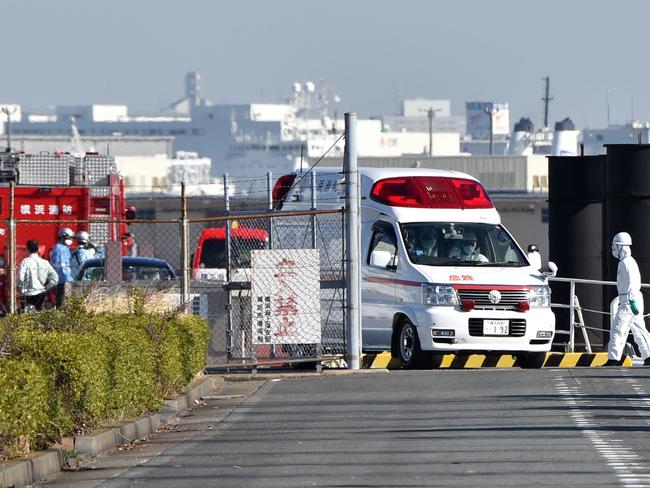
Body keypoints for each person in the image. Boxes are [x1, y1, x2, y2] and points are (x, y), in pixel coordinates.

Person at [606, 232, 650, 366]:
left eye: (615, 246)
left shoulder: (625, 263)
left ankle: (613, 359)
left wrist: (630, 301)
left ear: (621, 247)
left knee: (618, 328)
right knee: (639, 330)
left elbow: (631, 283)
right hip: (633, 299)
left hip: (629, 300)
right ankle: (648, 356)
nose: (613, 248)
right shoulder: (628, 262)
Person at [18, 239, 58, 312]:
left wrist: (20, 287)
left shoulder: (25, 262)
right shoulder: (45, 262)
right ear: (37, 249)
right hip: (40, 292)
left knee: (24, 315)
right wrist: (46, 288)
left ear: (27, 249)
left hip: (27, 293)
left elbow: (20, 277)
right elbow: (55, 278)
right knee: (38, 312)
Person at [50, 227, 74, 307]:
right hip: (62, 280)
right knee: (61, 302)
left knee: (68, 302)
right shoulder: (58, 248)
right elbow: (58, 265)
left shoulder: (66, 248)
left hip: (67, 279)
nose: (69, 239)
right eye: (68, 237)